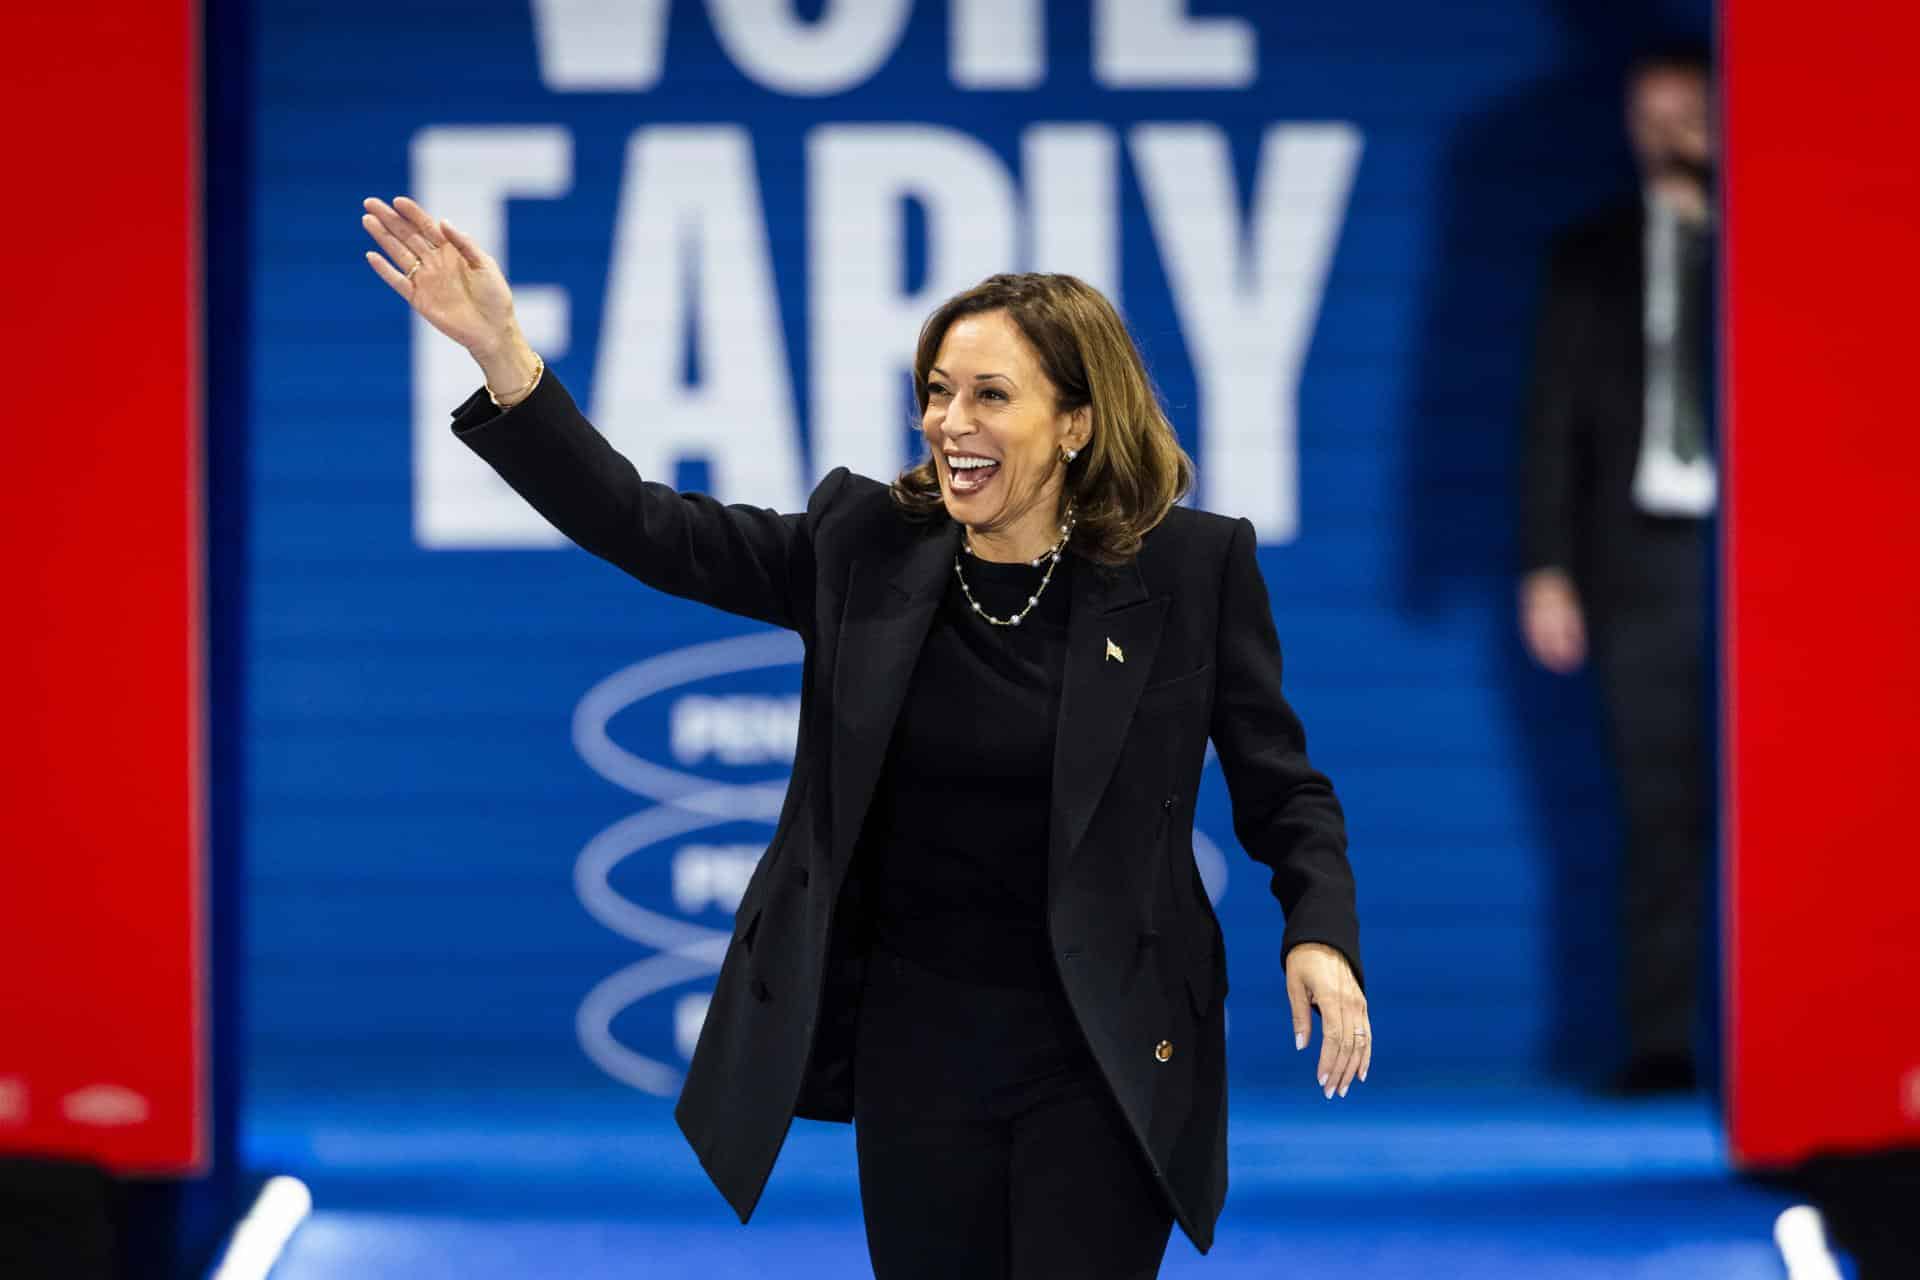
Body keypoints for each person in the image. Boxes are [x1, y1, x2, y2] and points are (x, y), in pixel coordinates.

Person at [360, 193, 1370, 1278]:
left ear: (1076, 422)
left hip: (1108, 1043)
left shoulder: (1186, 569)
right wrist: (504, 355)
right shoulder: (866, 545)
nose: (950, 423)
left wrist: (1320, 929)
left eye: (992, 395)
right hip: (918, 1045)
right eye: (937, 393)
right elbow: (646, 525)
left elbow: (1283, 785)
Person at [1518, 44, 1717, 1096]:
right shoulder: (1589, 253)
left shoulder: (1784, 240)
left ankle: (1793, 1036)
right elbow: (1550, 418)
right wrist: (1547, 565)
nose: (1667, 133)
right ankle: (1662, 1040)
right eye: (1649, 114)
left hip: (1770, 566)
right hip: (1638, 556)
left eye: (1688, 111)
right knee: (1656, 806)